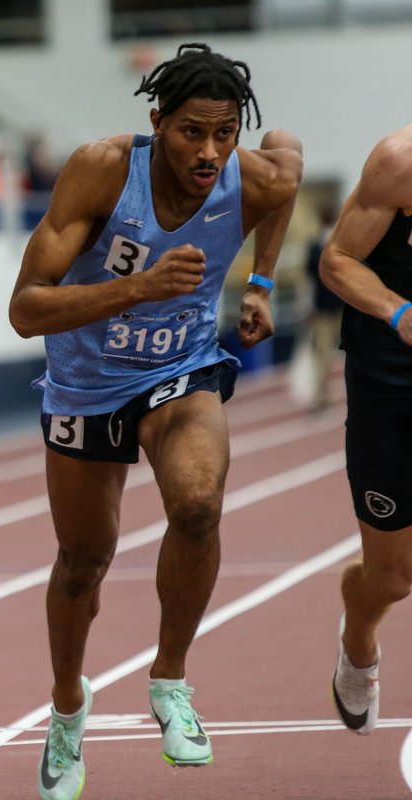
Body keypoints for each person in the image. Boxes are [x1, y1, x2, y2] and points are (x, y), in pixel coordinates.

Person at [6, 43, 302, 799]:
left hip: (180, 369)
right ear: (156, 122)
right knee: (82, 559)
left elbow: (286, 173)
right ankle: (68, 709)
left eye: (224, 134)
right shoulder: (103, 169)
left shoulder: (252, 177)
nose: (209, 153)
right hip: (84, 383)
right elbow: (25, 309)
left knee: (198, 504)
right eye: (190, 133)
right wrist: (135, 290)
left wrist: (261, 280)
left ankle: (170, 682)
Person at [319, 124, 412, 737]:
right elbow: (337, 261)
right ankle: (358, 644)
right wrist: (396, 310)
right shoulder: (399, 163)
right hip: (391, 388)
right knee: (392, 578)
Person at [301, 202, 345, 411]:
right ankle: (325, 397)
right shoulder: (330, 244)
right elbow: (309, 279)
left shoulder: (328, 244)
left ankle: (325, 397)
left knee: (322, 354)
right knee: (323, 355)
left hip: (334, 306)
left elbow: (308, 281)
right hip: (340, 305)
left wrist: (308, 306)